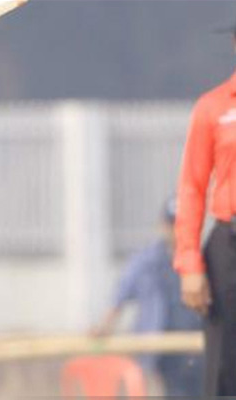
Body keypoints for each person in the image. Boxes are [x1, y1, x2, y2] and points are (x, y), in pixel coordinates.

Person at [175, 25, 236, 397]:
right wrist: (189, 264)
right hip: (229, 245)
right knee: (225, 364)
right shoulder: (214, 106)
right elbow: (192, 187)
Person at [91, 197, 203, 397]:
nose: (177, 230)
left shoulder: (201, 260)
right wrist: (104, 325)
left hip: (196, 349)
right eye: (173, 224)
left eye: (183, 224)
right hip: (158, 352)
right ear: (163, 225)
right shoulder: (147, 261)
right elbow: (120, 295)